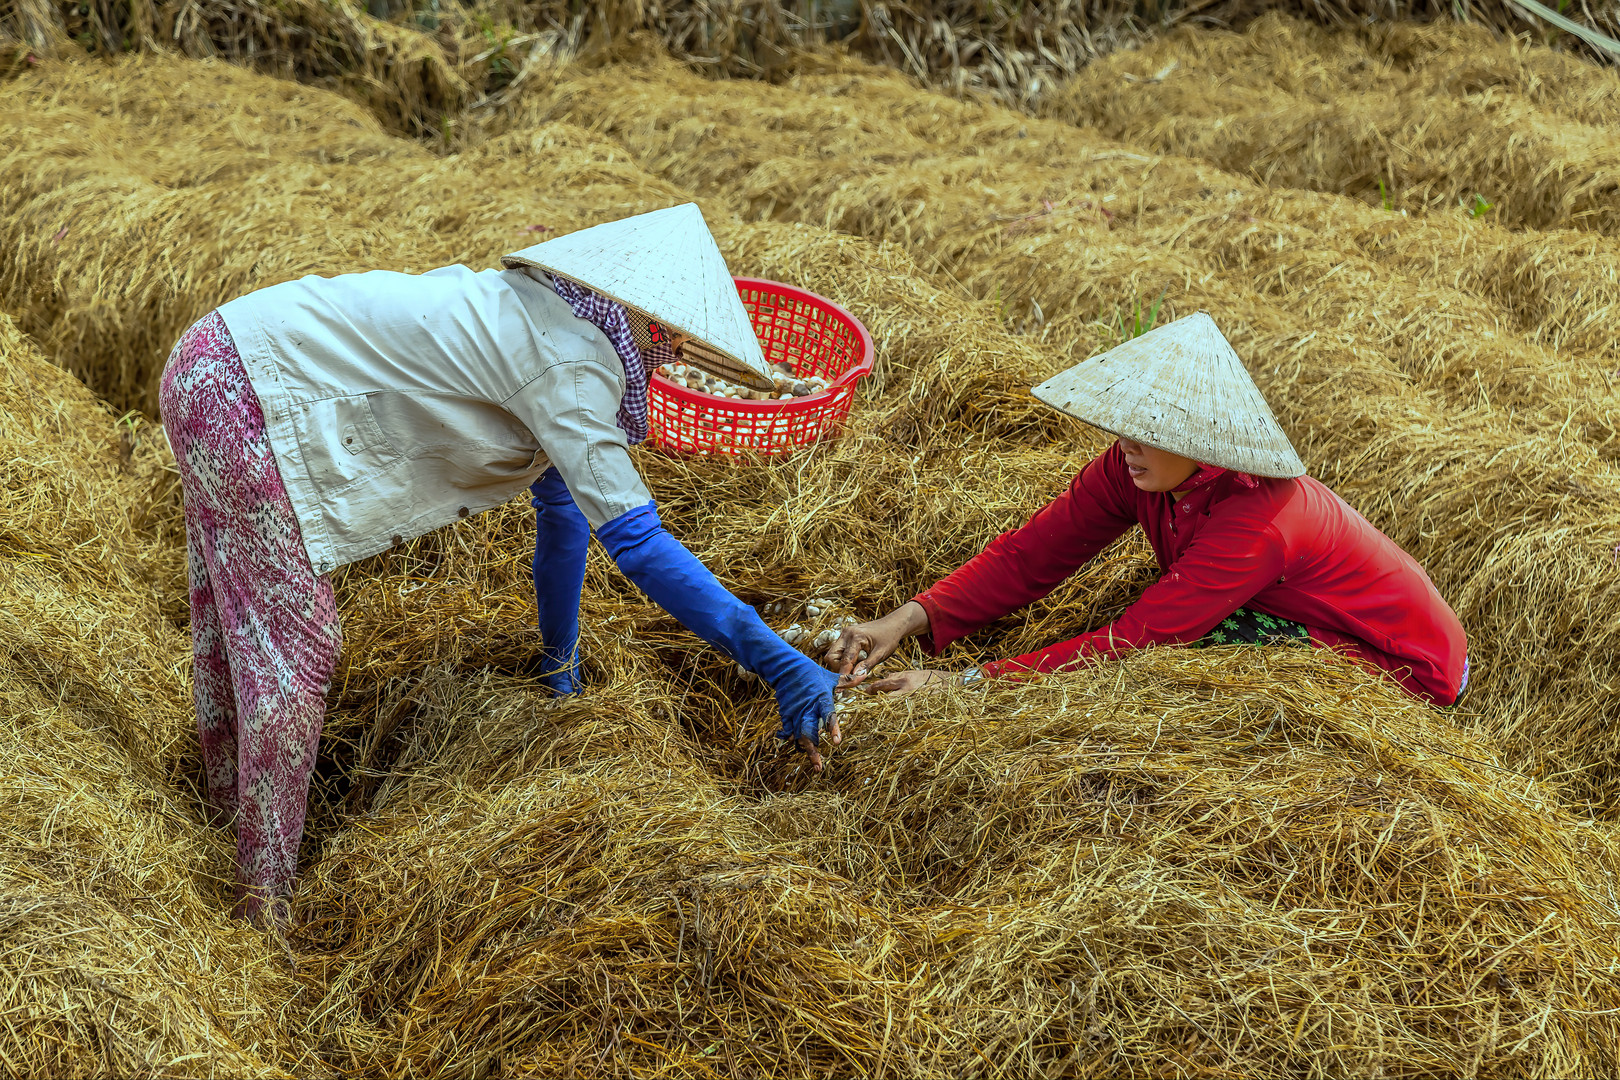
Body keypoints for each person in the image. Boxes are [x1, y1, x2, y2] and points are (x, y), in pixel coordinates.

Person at [159, 203, 840, 927]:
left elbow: (563, 513)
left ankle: (225, 809)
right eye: (668, 347)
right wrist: (778, 661)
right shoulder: (575, 365)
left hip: (218, 356)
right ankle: (261, 908)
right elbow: (639, 546)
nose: (667, 361)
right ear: (654, 325)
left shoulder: (553, 310)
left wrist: (559, 660)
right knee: (294, 648)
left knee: (235, 612)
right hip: (245, 391)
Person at [826, 311, 1468, 706]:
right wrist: (907, 620)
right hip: (1300, 604)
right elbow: (1033, 554)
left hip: (1405, 661)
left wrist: (969, 686)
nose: (1125, 444)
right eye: (1123, 426)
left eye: (1147, 430)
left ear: (1200, 441)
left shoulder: (1259, 524)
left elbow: (1136, 641)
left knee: (1182, 662)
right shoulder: (1134, 469)